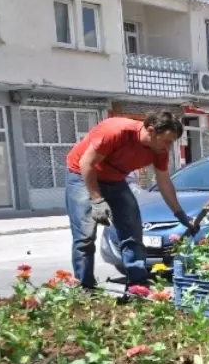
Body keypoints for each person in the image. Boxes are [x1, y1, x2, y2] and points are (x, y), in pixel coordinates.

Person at [65, 111, 196, 290]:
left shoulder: (158, 149)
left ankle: (138, 286)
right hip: (82, 176)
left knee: (132, 233)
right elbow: (86, 164)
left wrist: (180, 214)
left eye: (171, 142)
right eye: (166, 141)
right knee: (85, 237)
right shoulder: (116, 131)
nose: (168, 147)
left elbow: (164, 182)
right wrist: (96, 200)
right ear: (150, 130)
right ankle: (85, 287)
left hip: (116, 180)